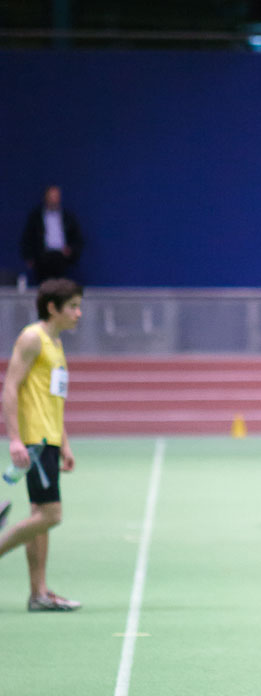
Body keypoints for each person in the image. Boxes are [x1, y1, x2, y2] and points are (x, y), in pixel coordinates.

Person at [0, 278, 83, 611]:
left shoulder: (56, 344)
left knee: (40, 514)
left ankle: (39, 594)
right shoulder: (32, 338)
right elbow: (10, 388)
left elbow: (53, 399)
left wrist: (64, 443)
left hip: (48, 438)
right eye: (73, 306)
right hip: (33, 441)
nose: (79, 313)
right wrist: (16, 439)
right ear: (52, 308)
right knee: (52, 514)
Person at [21, 185, 84, 284]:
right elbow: (28, 238)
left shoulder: (68, 217)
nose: (54, 200)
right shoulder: (36, 218)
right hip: (43, 257)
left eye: (56, 197)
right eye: (51, 197)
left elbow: (77, 238)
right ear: (45, 198)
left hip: (61, 258)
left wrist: (71, 250)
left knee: (59, 288)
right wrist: (29, 257)